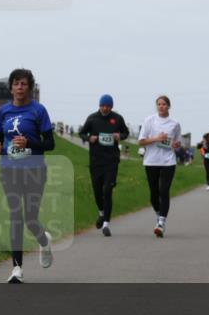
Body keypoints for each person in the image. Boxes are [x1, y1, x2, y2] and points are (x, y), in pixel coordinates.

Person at [0, 68, 56, 284]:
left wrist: (30, 143)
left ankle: (44, 241)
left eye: (24, 84)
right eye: (16, 83)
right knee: (15, 215)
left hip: (35, 170)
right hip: (8, 169)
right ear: (11, 87)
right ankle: (16, 268)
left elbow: (50, 144)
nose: (20, 87)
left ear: (30, 88)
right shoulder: (3, 112)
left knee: (30, 218)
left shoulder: (39, 111)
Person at [78, 94, 130, 237]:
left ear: (111, 106)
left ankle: (106, 224)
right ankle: (101, 213)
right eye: (102, 105)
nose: (105, 108)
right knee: (97, 191)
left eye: (107, 106)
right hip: (95, 161)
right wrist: (90, 138)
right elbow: (81, 133)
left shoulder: (117, 118)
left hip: (111, 161)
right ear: (99, 105)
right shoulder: (92, 118)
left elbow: (126, 133)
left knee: (107, 190)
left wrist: (120, 136)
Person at [137, 95, 182, 237]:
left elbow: (177, 143)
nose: (161, 106)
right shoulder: (149, 120)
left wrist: (176, 145)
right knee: (153, 195)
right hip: (151, 161)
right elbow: (141, 142)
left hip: (168, 161)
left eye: (164, 104)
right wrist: (157, 138)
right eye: (159, 104)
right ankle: (159, 214)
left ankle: (161, 222)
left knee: (164, 190)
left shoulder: (175, 124)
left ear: (169, 106)